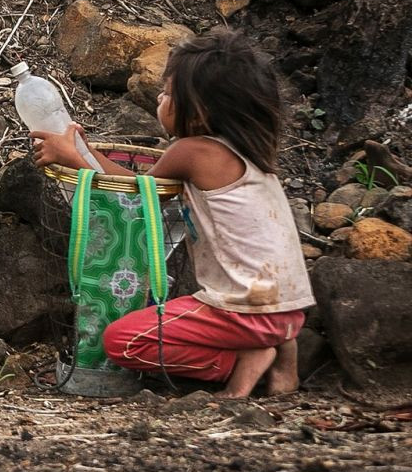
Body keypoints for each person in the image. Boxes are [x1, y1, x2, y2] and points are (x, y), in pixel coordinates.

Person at [33, 29, 311, 399]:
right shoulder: (252, 152)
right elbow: (143, 185)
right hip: (289, 311)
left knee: (122, 342)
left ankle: (245, 359)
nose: (160, 99)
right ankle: (282, 358)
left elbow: (137, 193)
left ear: (199, 110)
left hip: (243, 311)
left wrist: (75, 158)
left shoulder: (192, 151)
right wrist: (84, 152)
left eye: (167, 93)